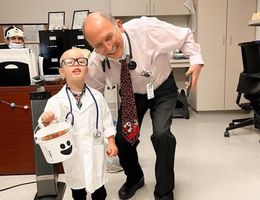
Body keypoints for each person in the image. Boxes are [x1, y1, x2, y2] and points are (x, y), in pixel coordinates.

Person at [83, 11, 204, 200]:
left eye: (109, 37)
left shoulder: (146, 29)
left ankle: (164, 190)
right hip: (132, 95)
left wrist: (195, 60)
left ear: (119, 25)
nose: (108, 47)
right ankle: (135, 178)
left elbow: (185, 36)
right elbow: (93, 93)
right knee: (123, 139)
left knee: (162, 134)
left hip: (162, 86)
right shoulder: (97, 59)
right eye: (98, 45)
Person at [38, 48, 118, 200]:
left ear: (87, 70)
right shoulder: (55, 101)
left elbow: (107, 121)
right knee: (78, 191)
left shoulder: (97, 97)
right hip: (73, 153)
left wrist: (112, 142)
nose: (76, 64)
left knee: (99, 190)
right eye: (70, 62)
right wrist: (46, 120)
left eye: (81, 62)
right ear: (62, 71)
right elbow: (48, 130)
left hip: (95, 149)